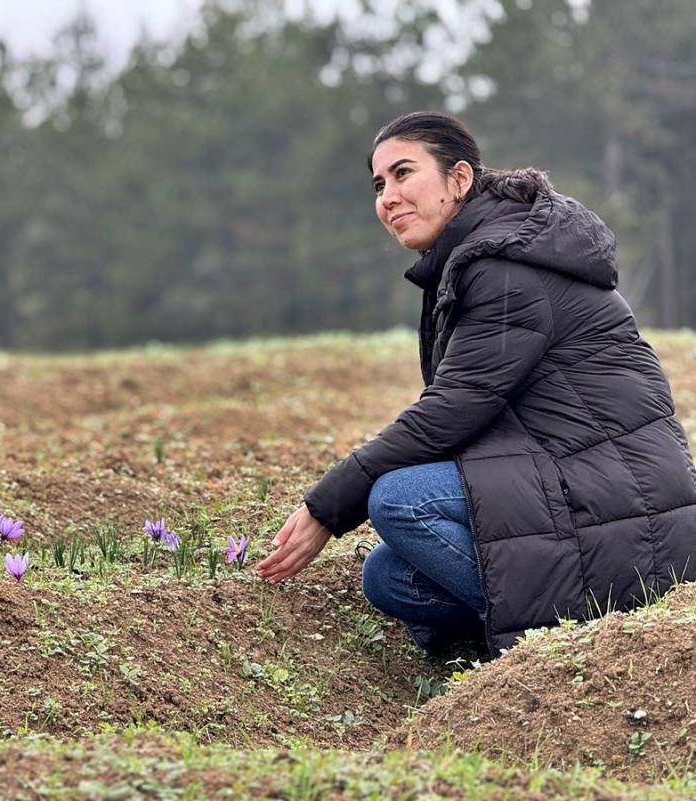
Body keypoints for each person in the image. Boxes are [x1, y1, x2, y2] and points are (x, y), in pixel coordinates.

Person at [256, 111, 696, 657]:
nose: (387, 197)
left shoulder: (506, 268)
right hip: (574, 478)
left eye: (402, 173)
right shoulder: (483, 256)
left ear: (459, 180)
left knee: (397, 500)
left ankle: (565, 641)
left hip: (621, 498)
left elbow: (453, 410)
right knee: (388, 577)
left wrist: (328, 505)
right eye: (378, 184)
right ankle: (517, 632)